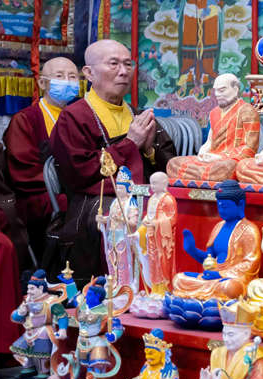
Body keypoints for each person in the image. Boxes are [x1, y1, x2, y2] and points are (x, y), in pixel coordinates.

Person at [48, 40, 176, 281]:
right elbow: (79, 173)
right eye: (114, 64)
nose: (123, 71)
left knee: (171, 211)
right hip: (94, 202)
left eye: (128, 64)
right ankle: (121, 287)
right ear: (89, 73)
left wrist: (149, 150)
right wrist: (130, 143)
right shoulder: (74, 117)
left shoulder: (138, 115)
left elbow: (169, 164)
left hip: (143, 194)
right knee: (123, 216)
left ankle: (163, 284)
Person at [4, 56, 79, 263]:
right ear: (42, 83)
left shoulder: (81, 116)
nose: (67, 81)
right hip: (38, 195)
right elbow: (24, 171)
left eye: (73, 77)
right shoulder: (25, 119)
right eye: (59, 76)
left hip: (75, 189)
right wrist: (69, 184)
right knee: (76, 204)